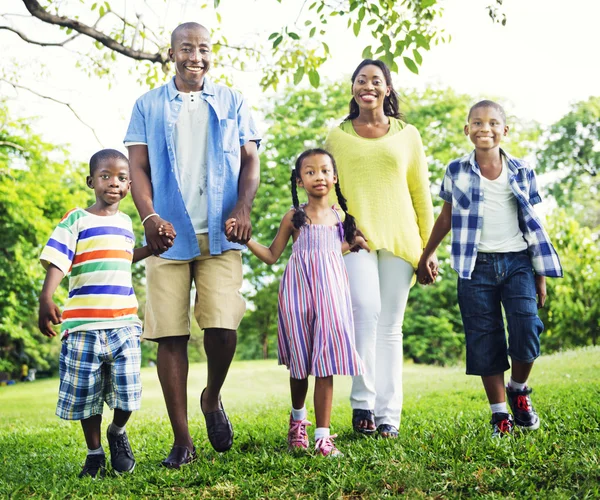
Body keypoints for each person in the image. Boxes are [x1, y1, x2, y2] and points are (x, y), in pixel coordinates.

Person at [124, 22, 260, 467]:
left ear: (210, 54)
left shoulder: (232, 100)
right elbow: (137, 167)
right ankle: (182, 439)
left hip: (222, 231)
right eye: (186, 48)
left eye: (202, 49)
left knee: (223, 327)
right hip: (167, 234)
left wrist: (243, 207)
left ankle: (212, 397)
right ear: (172, 54)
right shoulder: (147, 104)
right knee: (170, 334)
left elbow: (250, 159)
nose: (195, 56)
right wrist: (149, 217)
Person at [417, 100, 563, 437]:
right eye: (477, 123)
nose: (486, 128)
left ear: (505, 130)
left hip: (518, 263)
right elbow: (446, 217)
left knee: (527, 330)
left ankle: (519, 389)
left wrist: (540, 274)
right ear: (467, 130)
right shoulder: (456, 170)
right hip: (474, 266)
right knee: (484, 340)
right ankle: (500, 415)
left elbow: (533, 225)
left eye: (493, 122)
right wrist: (428, 254)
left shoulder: (523, 170)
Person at [38, 149, 175, 478]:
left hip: (123, 324)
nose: (114, 182)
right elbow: (59, 259)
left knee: (128, 395)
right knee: (87, 398)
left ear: (129, 186)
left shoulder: (127, 223)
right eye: (105, 176)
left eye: (121, 178)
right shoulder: (77, 220)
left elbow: (123, 258)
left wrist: (153, 248)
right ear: (91, 182)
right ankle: (95, 452)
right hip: (83, 325)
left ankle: (117, 432)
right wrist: (46, 296)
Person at [226, 149, 368, 457]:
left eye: (324, 171)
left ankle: (323, 438)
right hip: (297, 293)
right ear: (300, 180)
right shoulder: (294, 217)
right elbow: (272, 255)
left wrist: (353, 244)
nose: (318, 176)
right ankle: (298, 421)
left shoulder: (340, 217)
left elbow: (331, 251)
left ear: (334, 177)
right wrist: (245, 240)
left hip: (331, 295)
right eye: (310, 172)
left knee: (326, 363)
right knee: (300, 366)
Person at [324, 59, 434, 438]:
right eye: (360, 80)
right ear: (352, 88)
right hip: (356, 240)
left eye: (376, 80)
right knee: (365, 312)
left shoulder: (408, 135)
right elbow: (329, 190)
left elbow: (421, 195)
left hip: (402, 240)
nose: (367, 86)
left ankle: (389, 416)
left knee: (390, 327)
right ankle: (362, 405)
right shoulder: (337, 137)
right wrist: (346, 228)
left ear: (388, 88)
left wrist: (428, 249)